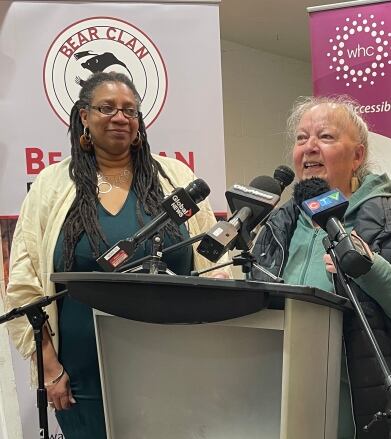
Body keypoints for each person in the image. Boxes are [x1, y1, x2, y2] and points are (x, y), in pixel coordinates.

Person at [5, 72, 228, 438]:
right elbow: (25, 284)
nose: (120, 118)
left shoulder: (174, 177)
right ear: (83, 116)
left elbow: (210, 257)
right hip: (83, 375)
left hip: (177, 364)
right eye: (106, 108)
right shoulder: (53, 185)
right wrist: (49, 368)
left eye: (130, 110)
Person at [250, 96, 391, 438]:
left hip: (370, 419)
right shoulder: (279, 226)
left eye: (326, 137)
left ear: (358, 156)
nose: (309, 148)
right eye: (302, 138)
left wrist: (371, 270)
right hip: (285, 412)